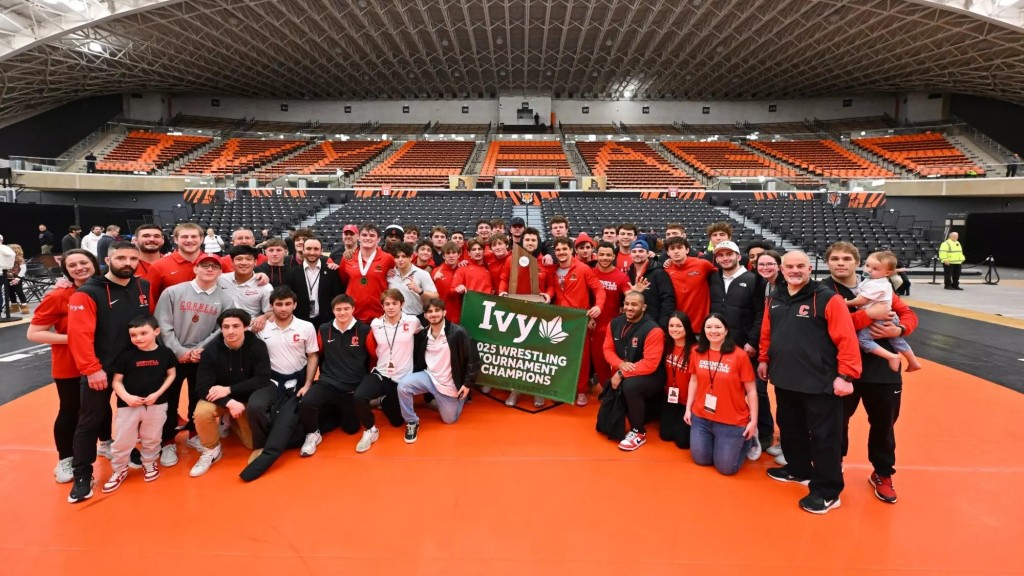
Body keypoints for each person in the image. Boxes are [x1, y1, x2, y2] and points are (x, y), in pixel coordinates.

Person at [757, 251, 861, 515]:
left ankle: (828, 490)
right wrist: (764, 359)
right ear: (781, 269)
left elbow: (847, 338)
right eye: (789, 266)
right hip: (785, 378)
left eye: (800, 266)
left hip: (820, 382)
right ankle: (798, 468)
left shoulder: (827, 298)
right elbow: (768, 333)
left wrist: (846, 375)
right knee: (791, 428)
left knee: (825, 437)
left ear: (809, 268)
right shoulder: (776, 297)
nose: (795, 270)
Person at [825, 242, 919, 504]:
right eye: (835, 258)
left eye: (846, 258)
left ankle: (882, 473)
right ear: (828, 263)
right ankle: (834, 464)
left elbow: (907, 314)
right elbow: (828, 324)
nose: (840, 263)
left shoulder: (881, 286)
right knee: (836, 420)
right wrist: (868, 315)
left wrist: (899, 331)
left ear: (858, 263)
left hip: (882, 370)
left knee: (884, 424)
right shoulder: (823, 289)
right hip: (844, 368)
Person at [66, 241, 150, 504]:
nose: (128, 263)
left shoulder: (142, 286)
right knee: (90, 421)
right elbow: (79, 336)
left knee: (130, 416)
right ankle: (83, 474)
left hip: (133, 368)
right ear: (108, 259)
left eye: (133, 258)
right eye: (121, 257)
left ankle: (125, 453)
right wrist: (92, 370)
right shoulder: (88, 292)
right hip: (100, 370)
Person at [27, 249, 101, 484]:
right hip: (69, 363)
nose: (79, 267)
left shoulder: (105, 289)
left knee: (100, 407)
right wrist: (76, 338)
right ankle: (65, 458)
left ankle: (107, 444)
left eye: (84, 262)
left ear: (94, 264)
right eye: (73, 265)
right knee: (70, 410)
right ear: (66, 271)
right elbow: (34, 333)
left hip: (101, 360)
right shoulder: (59, 295)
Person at [154, 253, 235, 465]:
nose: (210, 269)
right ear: (195, 268)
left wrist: (200, 349)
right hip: (173, 356)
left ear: (220, 272)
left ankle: (193, 434)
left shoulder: (225, 298)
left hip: (202, 357)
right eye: (205, 265)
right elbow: (162, 325)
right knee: (168, 400)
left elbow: (221, 328)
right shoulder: (173, 292)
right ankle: (168, 440)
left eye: (215, 267)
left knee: (197, 396)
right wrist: (180, 351)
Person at [242, 286, 318, 481]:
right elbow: (238, 334)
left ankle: (281, 443)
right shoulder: (261, 327)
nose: (283, 308)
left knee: (287, 418)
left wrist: (308, 383)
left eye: (287, 304)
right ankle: (260, 445)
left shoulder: (306, 327)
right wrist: (260, 318)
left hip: (298, 380)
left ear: (295, 305)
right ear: (271, 306)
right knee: (255, 406)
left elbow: (312, 356)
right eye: (278, 304)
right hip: (271, 380)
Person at [189, 309, 272, 478]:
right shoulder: (211, 351)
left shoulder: (257, 346)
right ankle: (211, 450)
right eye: (226, 327)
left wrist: (230, 390)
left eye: (236, 326)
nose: (230, 331)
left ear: (246, 327)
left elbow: (262, 379)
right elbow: (202, 387)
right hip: (222, 398)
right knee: (202, 412)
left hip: (245, 398)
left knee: (251, 445)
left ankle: (231, 422)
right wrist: (228, 402)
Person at [101, 316, 176, 493]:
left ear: (156, 332)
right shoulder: (126, 356)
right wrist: (127, 397)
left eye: (143, 333)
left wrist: (157, 394)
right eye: (133, 335)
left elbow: (171, 374)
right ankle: (119, 469)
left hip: (156, 405)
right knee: (122, 439)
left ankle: (149, 463)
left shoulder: (165, 354)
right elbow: (116, 382)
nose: (138, 338)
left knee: (152, 437)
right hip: (128, 406)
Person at [298, 295, 374, 455]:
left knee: (352, 429)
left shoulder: (365, 330)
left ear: (353, 309)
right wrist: (309, 384)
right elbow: (318, 355)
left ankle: (339, 411)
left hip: (351, 387)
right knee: (306, 403)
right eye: (338, 309)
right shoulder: (325, 329)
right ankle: (313, 434)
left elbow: (373, 357)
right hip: (328, 382)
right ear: (333, 310)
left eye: (346, 308)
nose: (342, 312)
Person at [684, 313, 760, 475]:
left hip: (731, 421)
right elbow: (694, 381)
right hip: (702, 417)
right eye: (709, 327)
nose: (713, 331)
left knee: (726, 469)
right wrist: (688, 408)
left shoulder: (739, 356)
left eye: (718, 327)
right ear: (703, 330)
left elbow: (751, 390)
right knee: (701, 460)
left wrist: (753, 421)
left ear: (726, 331)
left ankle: (750, 440)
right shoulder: (697, 352)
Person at [396, 298, 479, 443]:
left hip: (450, 383)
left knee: (449, 420)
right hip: (429, 377)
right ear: (425, 316)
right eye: (429, 312)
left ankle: (458, 399)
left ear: (444, 312)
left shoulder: (458, 332)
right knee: (403, 385)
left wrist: (466, 385)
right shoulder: (423, 335)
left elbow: (473, 360)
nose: (433, 314)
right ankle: (411, 421)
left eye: (437, 310)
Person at [352, 289, 421, 452]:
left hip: (402, 380)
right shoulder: (376, 324)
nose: (390, 307)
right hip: (381, 374)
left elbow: (421, 337)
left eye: (394, 304)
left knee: (397, 421)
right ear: (382, 306)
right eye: (387, 304)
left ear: (401, 304)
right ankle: (370, 430)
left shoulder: (412, 321)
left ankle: (383, 400)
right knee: (359, 397)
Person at [603, 291, 666, 451]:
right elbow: (607, 349)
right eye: (626, 304)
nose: (629, 308)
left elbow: (650, 364)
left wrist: (621, 373)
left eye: (634, 304)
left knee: (630, 385)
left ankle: (639, 432)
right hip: (627, 371)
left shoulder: (654, 330)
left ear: (643, 307)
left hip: (653, 376)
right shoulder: (615, 323)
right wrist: (619, 365)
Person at [844, 251, 922, 373]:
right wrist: (869, 314)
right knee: (897, 341)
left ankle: (891, 357)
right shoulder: (873, 281)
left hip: (881, 321)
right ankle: (913, 361)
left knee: (863, 340)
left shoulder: (877, 284)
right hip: (887, 319)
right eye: (868, 265)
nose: (869, 270)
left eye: (875, 268)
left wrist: (900, 329)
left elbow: (862, 300)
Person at [551, 236, 605, 407]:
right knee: (561, 357)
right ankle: (564, 389)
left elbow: (599, 289)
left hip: (579, 321)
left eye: (564, 249)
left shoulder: (582, 269)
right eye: (558, 250)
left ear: (571, 250)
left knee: (581, 358)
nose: (561, 252)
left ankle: (581, 391)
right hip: (559, 321)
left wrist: (598, 307)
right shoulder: (553, 269)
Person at [755, 250, 785, 457]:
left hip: (787, 347)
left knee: (789, 397)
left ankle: (790, 444)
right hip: (773, 345)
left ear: (779, 265)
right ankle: (785, 440)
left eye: (769, 264)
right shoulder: (766, 285)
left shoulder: (786, 286)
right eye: (761, 265)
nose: (765, 268)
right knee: (781, 397)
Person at [591, 242, 631, 388]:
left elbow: (630, 296)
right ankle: (605, 389)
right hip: (593, 323)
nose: (605, 258)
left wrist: (635, 293)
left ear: (614, 256)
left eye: (608, 255)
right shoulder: (590, 272)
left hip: (613, 325)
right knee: (598, 360)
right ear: (596, 255)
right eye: (601, 254)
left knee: (615, 360)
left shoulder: (622, 277)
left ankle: (615, 389)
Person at [340, 223, 396, 323]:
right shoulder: (347, 258)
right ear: (358, 237)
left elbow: (395, 277)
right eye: (364, 235)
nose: (368, 238)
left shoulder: (387, 258)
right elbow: (343, 281)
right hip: (354, 313)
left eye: (372, 235)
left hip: (380, 313)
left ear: (378, 239)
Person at [286, 237, 346, 328]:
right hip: (300, 321)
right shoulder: (292, 273)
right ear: (303, 250)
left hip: (327, 322)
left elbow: (338, 295)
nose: (312, 252)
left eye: (316, 249)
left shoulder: (331, 271)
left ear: (321, 251)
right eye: (309, 248)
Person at [663, 236, 717, 333]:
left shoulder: (703, 265)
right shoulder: (666, 270)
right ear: (668, 253)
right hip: (679, 327)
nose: (676, 251)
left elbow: (721, 276)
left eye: (679, 248)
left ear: (687, 250)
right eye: (672, 248)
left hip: (702, 327)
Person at [659, 311, 697, 449]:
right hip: (670, 397)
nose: (674, 329)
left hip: (688, 402)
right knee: (666, 435)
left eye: (679, 326)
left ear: (686, 327)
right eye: (671, 325)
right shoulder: (666, 345)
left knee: (682, 443)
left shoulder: (695, 350)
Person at [148, 222, 205, 307]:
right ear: (175, 239)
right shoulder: (158, 266)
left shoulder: (215, 263)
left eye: (194, 236)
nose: (189, 240)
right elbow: (152, 300)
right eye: (184, 237)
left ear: (201, 239)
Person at [624, 238, 675, 327]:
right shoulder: (630, 273)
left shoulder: (659, 272)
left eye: (641, 251)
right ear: (630, 255)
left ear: (648, 254)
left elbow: (668, 299)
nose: (637, 254)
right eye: (634, 251)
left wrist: (662, 322)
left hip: (654, 323)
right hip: (635, 322)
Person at [218, 245, 273, 323]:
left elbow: (270, 311)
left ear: (255, 262)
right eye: (239, 259)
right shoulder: (220, 279)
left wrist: (263, 317)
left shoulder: (265, 286)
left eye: (249, 259)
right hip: (221, 327)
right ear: (232, 262)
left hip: (251, 328)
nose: (244, 263)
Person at [387, 242, 438, 318]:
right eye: (397, 257)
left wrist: (420, 291)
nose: (400, 260)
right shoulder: (389, 274)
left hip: (416, 317)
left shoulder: (422, 274)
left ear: (411, 257)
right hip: (395, 317)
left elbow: (435, 296)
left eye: (404, 256)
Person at [449, 238, 493, 323]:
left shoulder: (488, 269)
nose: (477, 252)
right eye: (474, 249)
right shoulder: (463, 268)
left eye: (480, 249)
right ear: (469, 253)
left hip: (487, 312)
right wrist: (458, 288)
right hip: (470, 312)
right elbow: (452, 290)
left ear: (484, 251)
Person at [4, 244, 29, 315]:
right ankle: (14, 305)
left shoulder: (19, 259)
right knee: (10, 292)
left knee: (19, 291)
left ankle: (24, 306)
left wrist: (18, 278)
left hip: (17, 277)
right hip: (8, 277)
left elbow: (23, 269)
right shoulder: (7, 258)